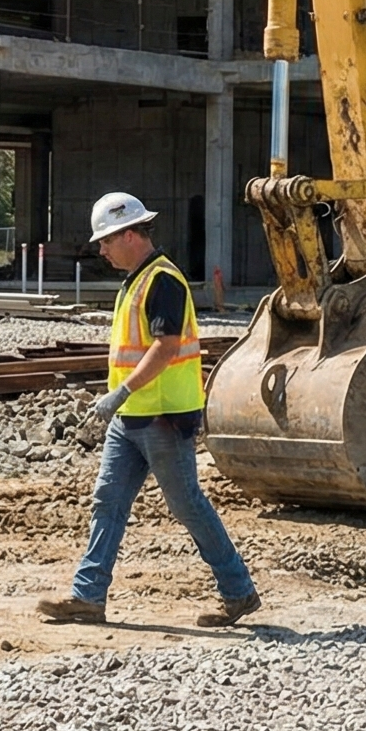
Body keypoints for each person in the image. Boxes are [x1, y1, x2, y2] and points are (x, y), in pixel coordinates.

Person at [35, 191, 261, 628]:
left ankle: (238, 591)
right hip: (132, 418)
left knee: (188, 505)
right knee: (108, 501)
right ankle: (88, 596)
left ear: (131, 234)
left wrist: (120, 393)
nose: (101, 249)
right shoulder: (136, 280)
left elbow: (165, 346)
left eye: (106, 240)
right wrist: (122, 401)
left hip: (162, 417)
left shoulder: (163, 280)